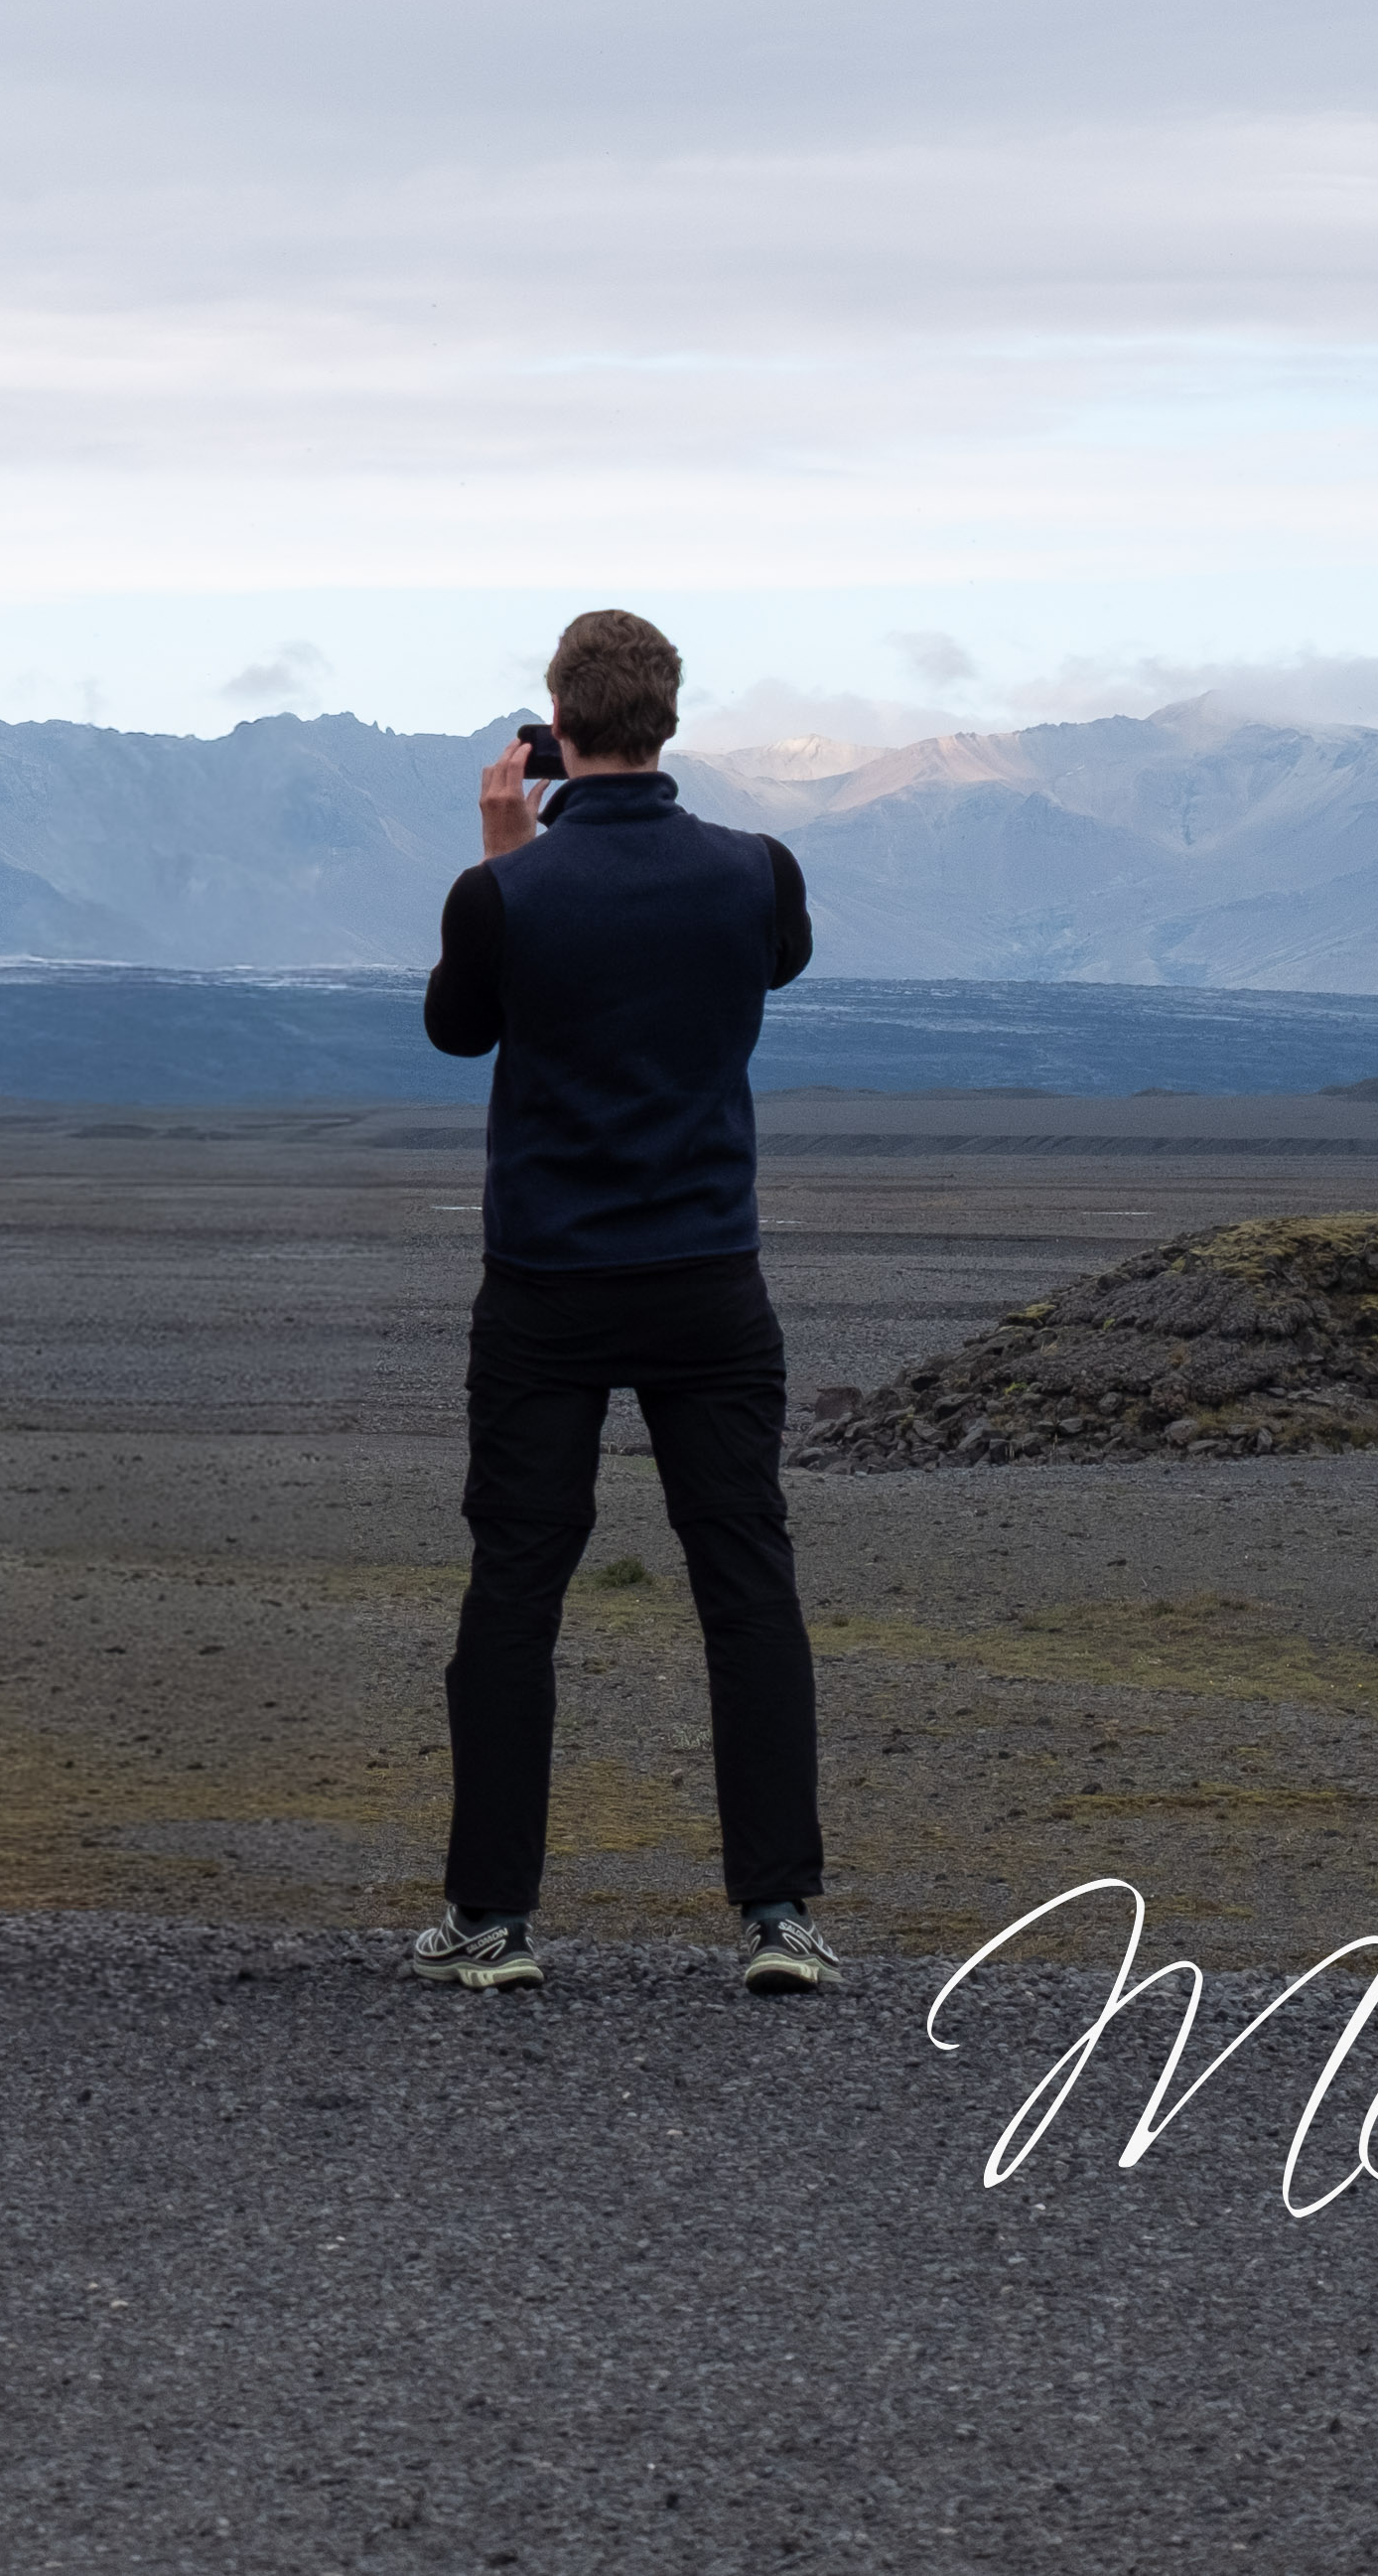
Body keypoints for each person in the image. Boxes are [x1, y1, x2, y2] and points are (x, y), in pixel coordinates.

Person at [412, 610, 842, 1996]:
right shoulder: (756, 872)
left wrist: (505, 860)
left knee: (515, 1589)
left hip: (545, 1290)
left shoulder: (504, 893)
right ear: (668, 717)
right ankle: (778, 1915)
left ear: (555, 724)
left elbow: (458, 1029)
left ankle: (492, 1920)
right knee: (746, 1583)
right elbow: (776, 961)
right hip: (710, 1282)